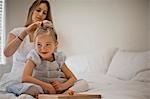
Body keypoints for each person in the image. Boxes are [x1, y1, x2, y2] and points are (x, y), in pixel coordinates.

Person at [6, 22, 89, 97]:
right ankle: (46, 95)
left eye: (47, 44)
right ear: (34, 45)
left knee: (83, 83)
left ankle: (65, 94)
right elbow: (25, 78)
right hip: (42, 87)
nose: (43, 48)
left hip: (59, 88)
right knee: (29, 88)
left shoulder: (59, 58)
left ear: (55, 45)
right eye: (39, 44)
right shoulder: (34, 56)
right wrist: (46, 86)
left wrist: (62, 86)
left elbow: (72, 78)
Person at [0, 0, 53, 93]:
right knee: (32, 89)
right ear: (31, 11)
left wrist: (49, 34)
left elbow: (51, 60)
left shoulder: (45, 36)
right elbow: (7, 53)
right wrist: (26, 31)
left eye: (44, 13)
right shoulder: (16, 31)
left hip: (39, 78)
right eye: (38, 10)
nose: (40, 14)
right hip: (19, 77)